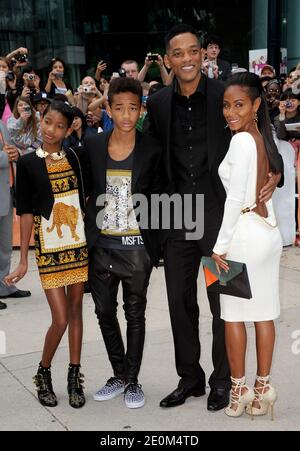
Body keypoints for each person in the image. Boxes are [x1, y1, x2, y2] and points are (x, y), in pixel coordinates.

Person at [145, 24, 283, 411]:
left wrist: (276, 172)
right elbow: (151, 164)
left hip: (222, 220)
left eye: (194, 50)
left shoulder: (226, 95)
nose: (187, 58)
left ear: (203, 54)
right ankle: (189, 379)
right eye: (178, 52)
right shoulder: (156, 104)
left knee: (225, 302)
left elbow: (264, 131)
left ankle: (224, 381)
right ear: (168, 59)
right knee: (178, 301)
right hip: (175, 219)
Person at [83, 77, 162, 409]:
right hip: (102, 246)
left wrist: (152, 247)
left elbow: (160, 198)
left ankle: (133, 380)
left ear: (141, 109)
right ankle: (120, 374)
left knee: (135, 314)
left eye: (133, 108)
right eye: (119, 108)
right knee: (104, 312)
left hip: (136, 248)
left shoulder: (152, 148)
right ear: (109, 109)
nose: (127, 115)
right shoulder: (92, 146)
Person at [5, 101, 88, 409]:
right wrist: (24, 258)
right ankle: (43, 372)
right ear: (41, 121)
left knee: (77, 311)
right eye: (48, 122)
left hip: (77, 244)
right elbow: (25, 212)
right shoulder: (27, 164)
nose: (51, 130)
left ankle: (74, 376)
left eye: (60, 126)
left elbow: (85, 199)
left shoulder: (77, 158)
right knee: (61, 318)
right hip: (49, 249)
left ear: (69, 129)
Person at [212, 72, 283, 418]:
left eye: (238, 104)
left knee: (233, 316)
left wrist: (218, 247)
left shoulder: (241, 142)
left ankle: (238, 390)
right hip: (267, 234)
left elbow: (235, 200)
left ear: (256, 104)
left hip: (241, 237)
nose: (229, 111)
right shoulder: (262, 135)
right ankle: (262, 389)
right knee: (264, 313)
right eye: (226, 105)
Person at [0, 120, 31, 309]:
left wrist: (15, 153)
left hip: (7, 192)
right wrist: (6, 156)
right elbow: (6, 153)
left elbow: (12, 147)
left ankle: (4, 286)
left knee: (5, 247)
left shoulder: (2, 124)